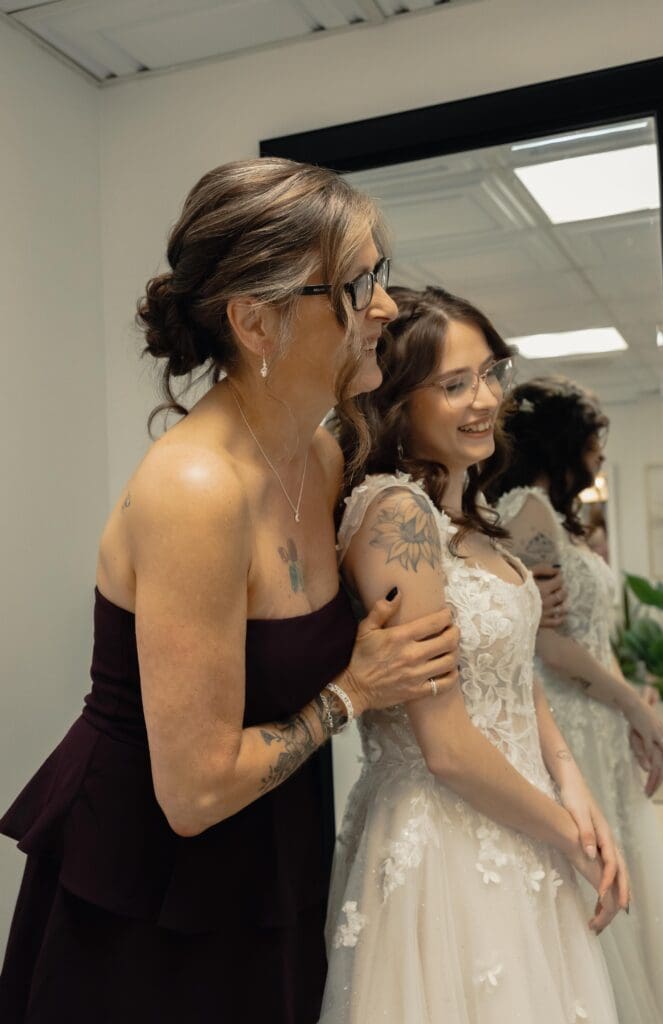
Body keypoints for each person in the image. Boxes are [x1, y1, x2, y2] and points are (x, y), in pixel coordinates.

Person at [0, 160, 461, 1024]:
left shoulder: (320, 455)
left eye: (381, 276)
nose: (386, 307)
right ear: (256, 321)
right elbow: (195, 793)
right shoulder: (197, 490)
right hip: (150, 896)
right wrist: (354, 691)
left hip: (273, 854)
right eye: (356, 286)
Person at [319, 287, 628, 1023]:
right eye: (454, 385)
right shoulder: (396, 515)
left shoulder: (467, 516)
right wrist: (573, 838)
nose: (485, 399)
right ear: (398, 401)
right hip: (445, 838)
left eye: (490, 373)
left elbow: (513, 675)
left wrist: (570, 782)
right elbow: (447, 746)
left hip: (519, 816)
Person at [491, 376, 663, 1024]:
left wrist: (629, 707)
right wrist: (634, 706)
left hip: (595, 715)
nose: (599, 457)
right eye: (593, 443)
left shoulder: (558, 519)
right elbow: (549, 645)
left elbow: (588, 633)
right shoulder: (527, 509)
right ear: (562, 443)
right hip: (569, 719)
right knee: (591, 876)